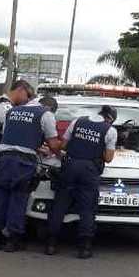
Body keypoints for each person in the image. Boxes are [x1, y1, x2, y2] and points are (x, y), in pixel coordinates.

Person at [0, 92, 62, 252]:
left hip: (3, 158)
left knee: (1, 196)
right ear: (50, 108)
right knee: (18, 198)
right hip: (23, 162)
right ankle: (13, 240)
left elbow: (11, 135)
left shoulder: (13, 111)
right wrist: (60, 155)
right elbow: (54, 144)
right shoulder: (46, 114)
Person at [46, 105, 118, 259]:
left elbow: (63, 145)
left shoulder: (77, 121)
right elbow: (108, 158)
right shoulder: (110, 131)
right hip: (89, 171)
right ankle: (84, 247)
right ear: (110, 119)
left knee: (60, 204)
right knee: (87, 208)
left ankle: (51, 244)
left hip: (70, 166)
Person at [0, 80, 35, 241]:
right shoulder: (5, 107)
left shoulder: (3, 105)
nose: (27, 99)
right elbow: (12, 130)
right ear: (20, 90)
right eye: (28, 95)